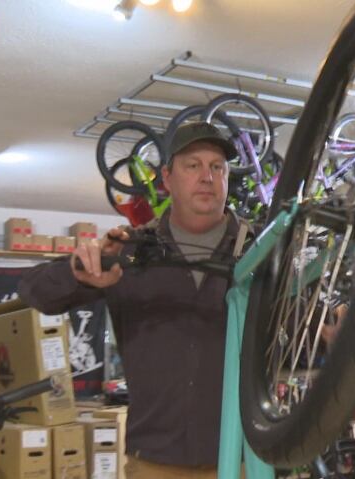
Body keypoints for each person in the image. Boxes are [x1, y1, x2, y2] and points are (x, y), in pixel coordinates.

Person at [18, 122, 248, 479]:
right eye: (193, 165)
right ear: (168, 178)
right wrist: (78, 272)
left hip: (242, 461)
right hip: (153, 464)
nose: (207, 177)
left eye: (217, 167)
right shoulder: (129, 249)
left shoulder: (259, 251)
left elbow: (309, 325)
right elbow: (35, 293)